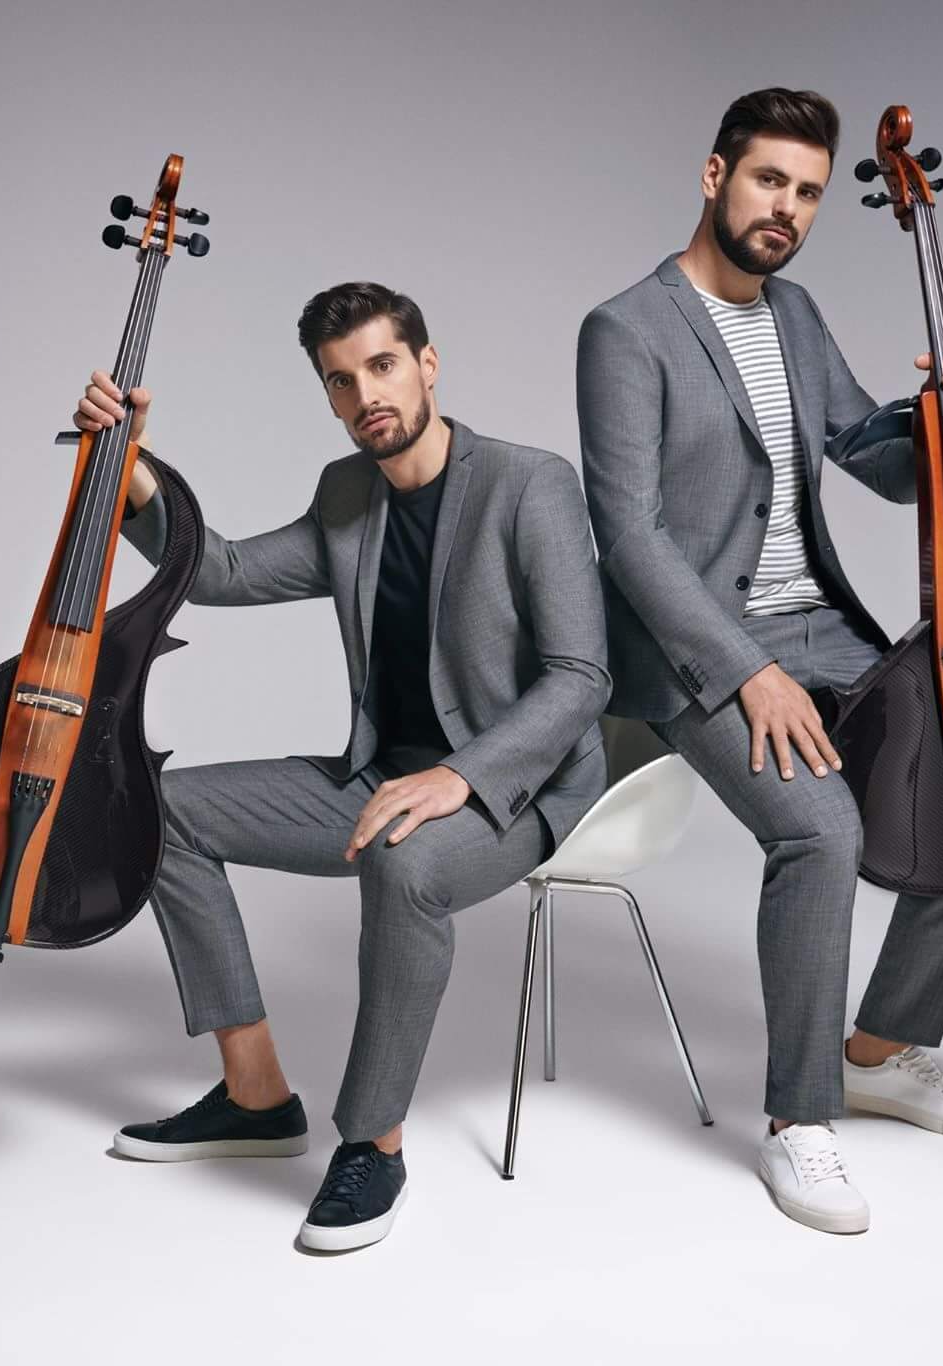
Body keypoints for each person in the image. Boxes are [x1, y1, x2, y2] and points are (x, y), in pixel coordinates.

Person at [78, 281, 609, 1251]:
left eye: (382, 365)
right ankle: (254, 1094)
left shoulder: (528, 484)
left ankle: (373, 1142)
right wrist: (131, 465)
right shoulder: (346, 494)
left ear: (427, 365)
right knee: (161, 809)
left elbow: (580, 676)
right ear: (326, 396)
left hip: (515, 790)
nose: (366, 394)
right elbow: (222, 571)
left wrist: (462, 776)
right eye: (340, 380)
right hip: (380, 777)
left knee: (404, 862)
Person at [576, 88, 943, 1234]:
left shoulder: (797, 314)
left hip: (819, 623)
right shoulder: (624, 330)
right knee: (819, 831)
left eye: (808, 191)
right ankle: (797, 1118)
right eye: (768, 179)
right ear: (713, 175)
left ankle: (876, 1051)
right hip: (692, 649)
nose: (786, 208)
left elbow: (882, 464)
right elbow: (627, 536)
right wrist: (742, 671)